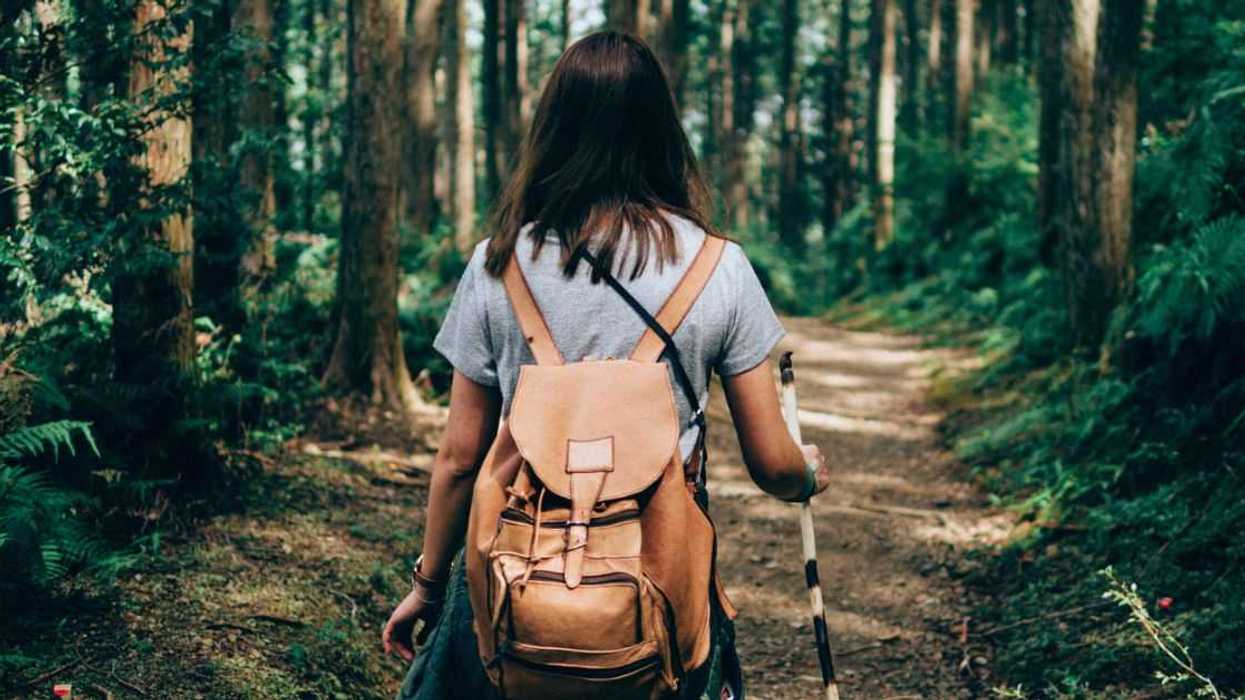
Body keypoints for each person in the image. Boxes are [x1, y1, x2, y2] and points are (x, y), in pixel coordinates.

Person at [382, 31, 830, 700]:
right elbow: (771, 462)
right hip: (660, 581)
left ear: (554, 128)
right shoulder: (719, 267)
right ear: (661, 131)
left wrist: (425, 584)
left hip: (514, 571)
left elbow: (457, 458)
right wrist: (806, 476)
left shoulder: (497, 263)